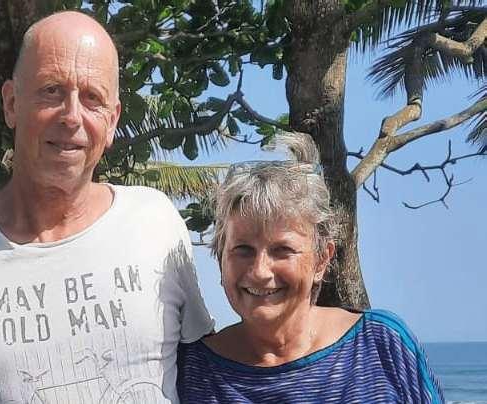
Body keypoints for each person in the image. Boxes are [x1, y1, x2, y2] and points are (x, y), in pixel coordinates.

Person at [0, 11, 213, 404]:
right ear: (11, 103)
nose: (72, 116)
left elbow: (208, 376)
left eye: (92, 98)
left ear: (112, 121)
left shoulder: (155, 220)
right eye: (51, 90)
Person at [177, 132, 444, 403]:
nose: (260, 271)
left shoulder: (380, 346)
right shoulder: (193, 371)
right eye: (243, 250)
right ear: (220, 257)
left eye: (282, 250)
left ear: (322, 260)